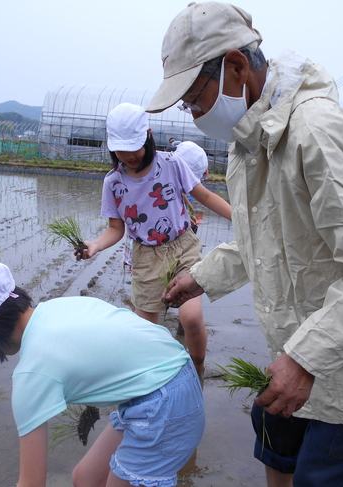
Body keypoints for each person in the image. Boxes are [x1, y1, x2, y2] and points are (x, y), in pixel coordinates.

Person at [147, 3, 343, 486]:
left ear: (236, 67)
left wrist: (304, 359)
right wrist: (198, 278)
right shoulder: (250, 144)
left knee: (319, 477)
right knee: (272, 436)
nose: (193, 112)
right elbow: (259, 240)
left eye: (194, 97)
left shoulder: (315, 134)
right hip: (305, 350)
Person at [0, 259, 205, 487]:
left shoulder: (32, 374)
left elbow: (31, 483)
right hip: (172, 377)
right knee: (85, 479)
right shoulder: (55, 308)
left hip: (164, 405)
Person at [78, 103, 232, 377]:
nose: (128, 155)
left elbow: (205, 196)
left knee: (192, 318)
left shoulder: (172, 163)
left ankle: (197, 369)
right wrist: (95, 245)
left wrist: (241, 218)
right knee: (146, 331)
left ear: (148, 135)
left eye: (134, 147)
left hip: (183, 247)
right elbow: (116, 229)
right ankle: (156, 378)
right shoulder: (113, 182)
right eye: (120, 150)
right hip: (146, 257)